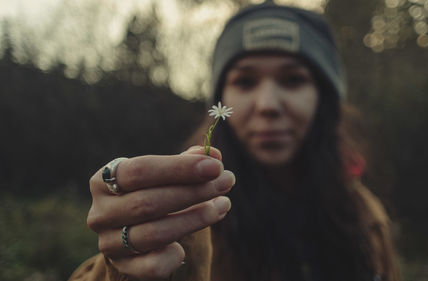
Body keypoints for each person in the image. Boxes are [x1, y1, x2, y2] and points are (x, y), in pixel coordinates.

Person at [69, 2, 400, 281]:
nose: (268, 104)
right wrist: (123, 265)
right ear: (220, 100)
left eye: (293, 79)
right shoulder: (190, 217)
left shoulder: (364, 215)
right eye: (245, 81)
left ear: (324, 100)